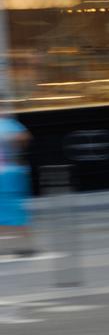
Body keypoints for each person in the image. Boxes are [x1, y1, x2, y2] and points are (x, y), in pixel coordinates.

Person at [0, 109, 34, 257]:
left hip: (6, 173)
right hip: (14, 171)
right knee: (15, 209)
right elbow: (25, 138)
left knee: (10, 209)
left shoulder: (7, 124)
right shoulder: (10, 123)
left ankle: (25, 245)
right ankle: (25, 245)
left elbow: (23, 137)